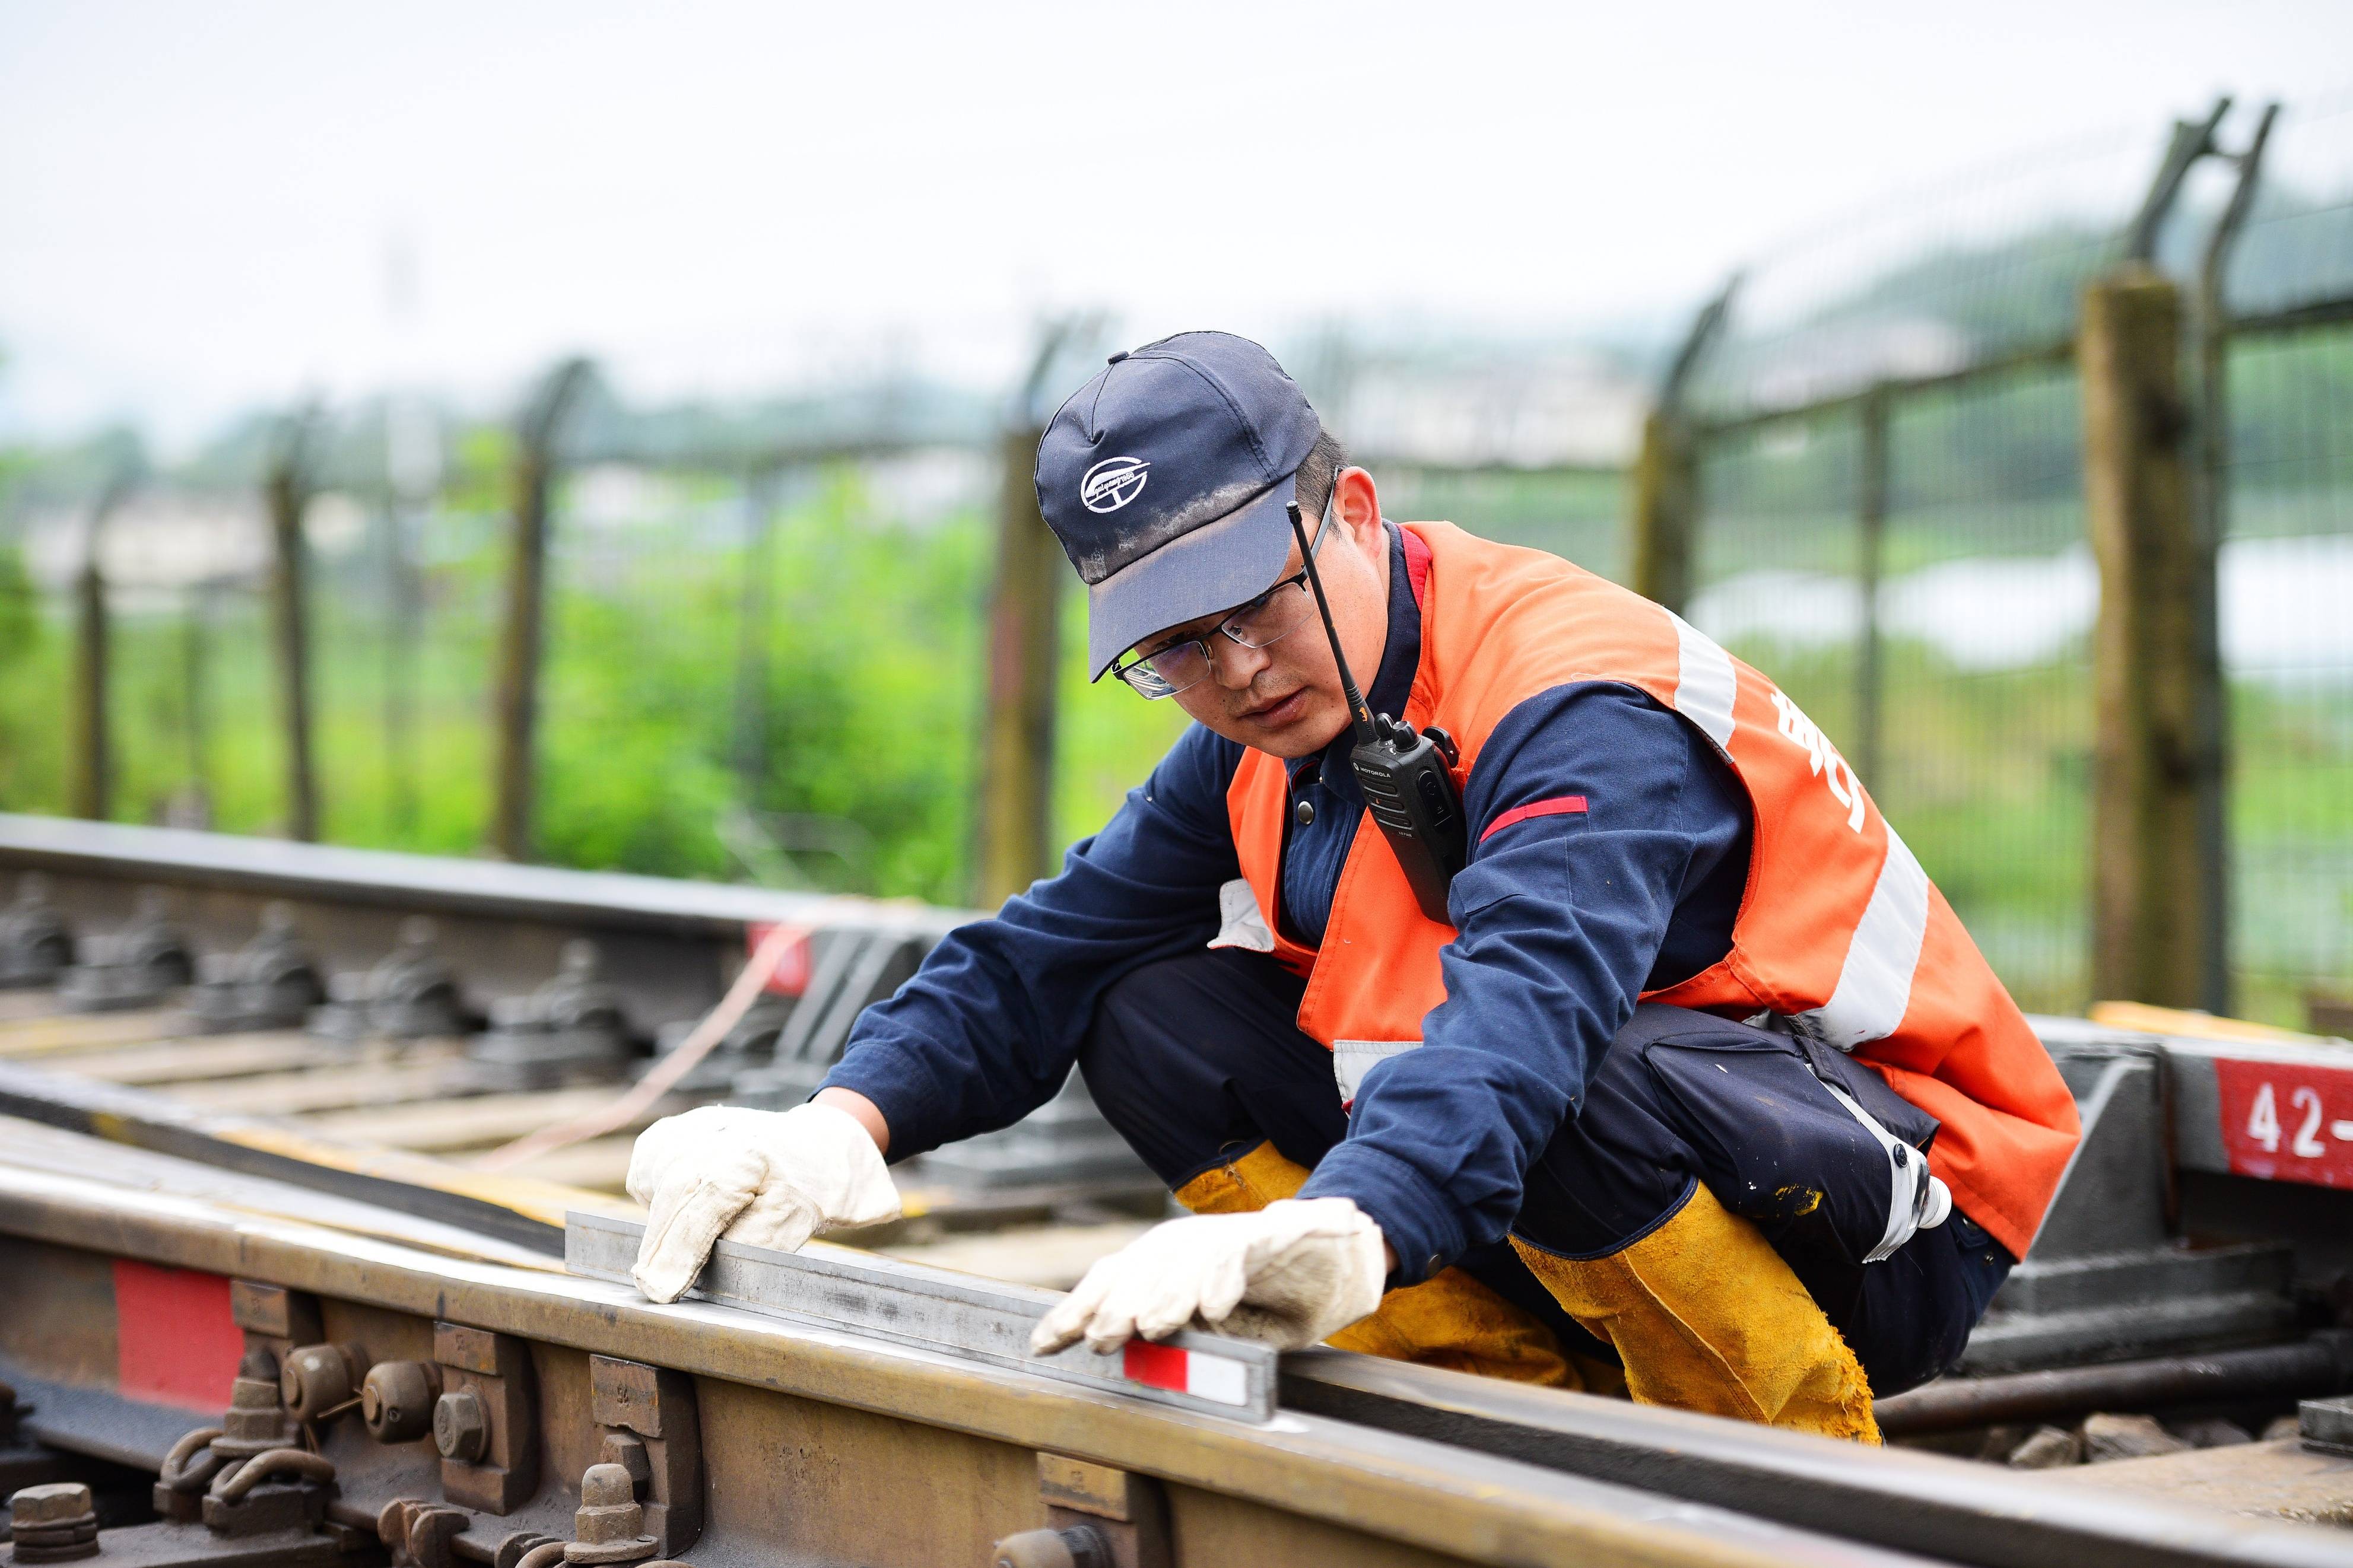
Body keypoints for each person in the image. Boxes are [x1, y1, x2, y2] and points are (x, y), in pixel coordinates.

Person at [625, 331, 2081, 1440]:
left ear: (1355, 512)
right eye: (1175, 647)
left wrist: (1359, 1209)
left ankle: (1768, 1453)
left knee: (1557, 1071)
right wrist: (833, 1122)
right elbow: (1043, 953)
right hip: (1623, 1170)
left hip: (1891, 1207)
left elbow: (1527, 1019)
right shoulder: (1270, 730)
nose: (1236, 669)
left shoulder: (1574, 695)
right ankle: (1490, 1416)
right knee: (1151, 1009)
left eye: (1255, 602)